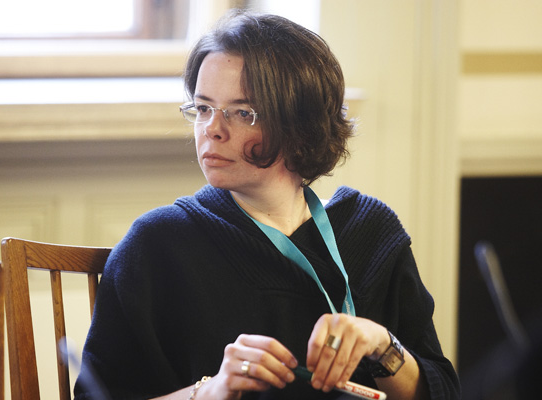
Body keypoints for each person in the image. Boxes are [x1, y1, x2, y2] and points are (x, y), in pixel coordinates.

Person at [74, 10, 460, 400]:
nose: (212, 129)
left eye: (243, 113)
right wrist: (211, 391)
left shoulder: (371, 232)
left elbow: (441, 391)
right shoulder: (158, 243)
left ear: (301, 127)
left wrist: (382, 345)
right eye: (203, 108)